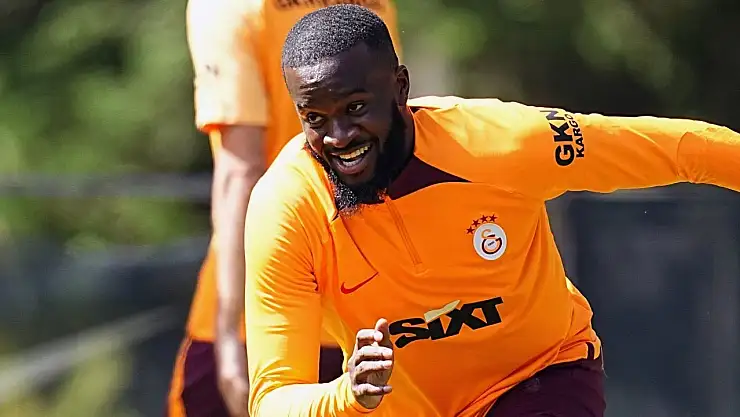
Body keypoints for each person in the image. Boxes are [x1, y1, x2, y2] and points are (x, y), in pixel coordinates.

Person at [243, 4, 740, 417]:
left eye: (355, 108)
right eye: (315, 118)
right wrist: (346, 395)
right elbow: (272, 399)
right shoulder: (286, 210)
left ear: (400, 88)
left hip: (542, 375)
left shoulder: (500, 144)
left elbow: (678, 149)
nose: (338, 137)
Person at [167, 1, 402, 416]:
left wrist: (229, 334)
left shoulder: (225, 7)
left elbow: (243, 170)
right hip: (371, 307)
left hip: (272, 309)